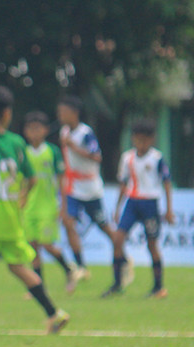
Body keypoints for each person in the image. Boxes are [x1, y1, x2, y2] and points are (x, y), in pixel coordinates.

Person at [0, 85, 69, 334]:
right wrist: (20, 200)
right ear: (7, 113)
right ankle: (54, 313)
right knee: (18, 266)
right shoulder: (18, 143)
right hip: (10, 219)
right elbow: (31, 179)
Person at [56, 95, 127, 286]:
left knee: (104, 226)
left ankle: (124, 259)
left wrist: (74, 147)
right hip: (73, 187)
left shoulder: (85, 133)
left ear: (74, 113)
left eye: (64, 112)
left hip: (90, 188)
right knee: (68, 222)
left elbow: (97, 157)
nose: (61, 115)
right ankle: (81, 267)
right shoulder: (64, 132)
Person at [107, 119, 174, 298]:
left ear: (152, 139)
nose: (140, 143)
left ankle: (158, 287)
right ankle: (117, 283)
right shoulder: (127, 158)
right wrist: (117, 207)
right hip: (132, 202)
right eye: (137, 139)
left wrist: (169, 209)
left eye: (144, 139)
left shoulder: (157, 159)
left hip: (150, 204)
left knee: (152, 245)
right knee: (118, 240)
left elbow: (167, 183)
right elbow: (123, 183)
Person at [22, 111, 76, 295]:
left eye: (37, 128)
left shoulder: (52, 152)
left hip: (48, 206)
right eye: (30, 129)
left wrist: (63, 207)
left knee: (47, 245)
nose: (34, 132)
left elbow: (62, 180)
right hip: (29, 207)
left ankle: (69, 270)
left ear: (45, 130)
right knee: (33, 248)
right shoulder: (23, 153)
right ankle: (38, 287)